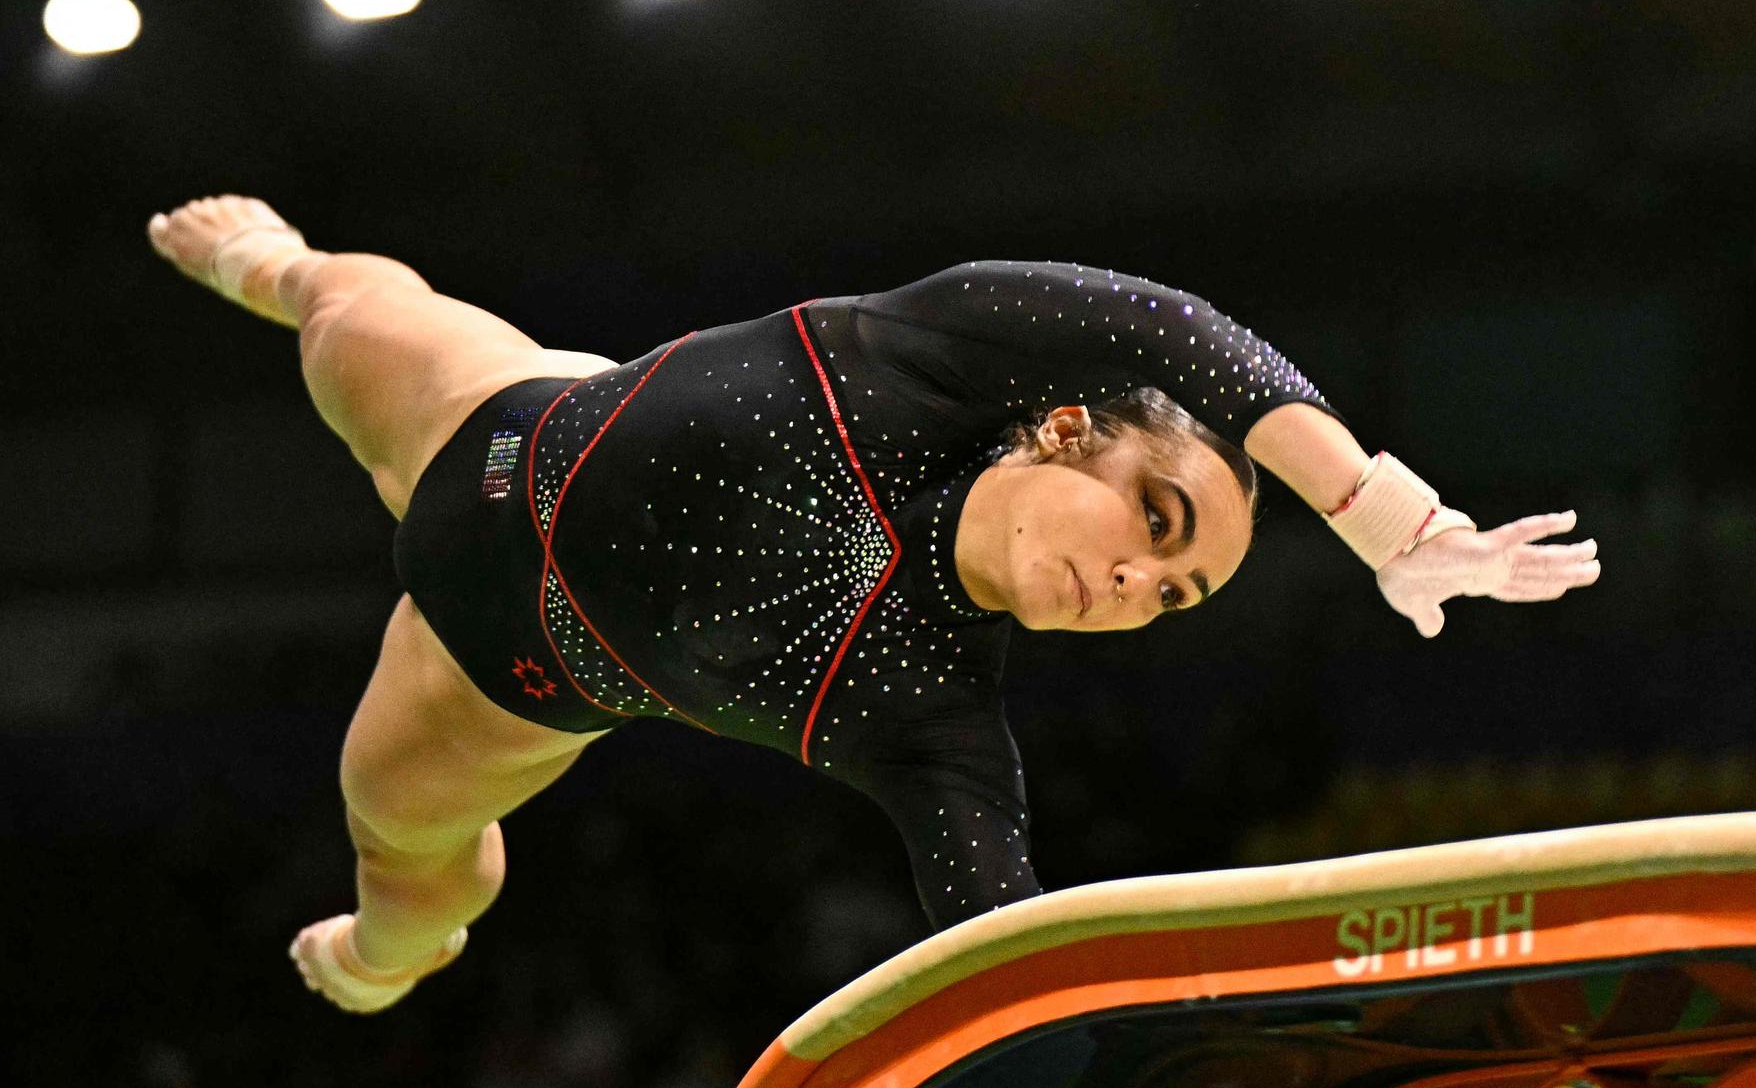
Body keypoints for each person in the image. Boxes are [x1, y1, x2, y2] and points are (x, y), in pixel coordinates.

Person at [145, 196, 1600, 1013]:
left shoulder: (928, 710)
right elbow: (1186, 335)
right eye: (1158, 523)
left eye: (1175, 596)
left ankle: (402, 953)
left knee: (405, 858)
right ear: (1064, 428)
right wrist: (1379, 513)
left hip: (501, 679)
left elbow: (1003, 936)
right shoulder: (928, 356)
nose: (1142, 584)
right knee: (337, 308)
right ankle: (282, 260)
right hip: (504, 425)